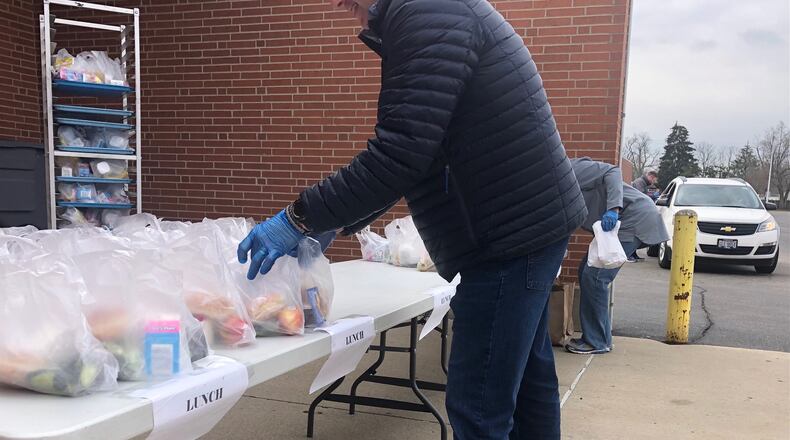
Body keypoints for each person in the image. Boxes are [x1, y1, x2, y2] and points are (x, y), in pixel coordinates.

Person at [237, 0, 588, 437]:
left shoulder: (429, 11)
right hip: (522, 226)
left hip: (504, 239)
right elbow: (420, 154)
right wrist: (332, 219)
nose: (341, 5)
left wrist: (298, 218)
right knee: (526, 388)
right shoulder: (431, 11)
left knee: (479, 407)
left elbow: (400, 153)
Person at [566, 157, 669, 354]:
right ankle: (600, 338)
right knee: (586, 271)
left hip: (632, 216)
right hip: (619, 223)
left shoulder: (569, 168)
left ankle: (597, 341)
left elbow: (612, 171)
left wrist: (613, 209)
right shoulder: (550, 184)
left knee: (595, 276)